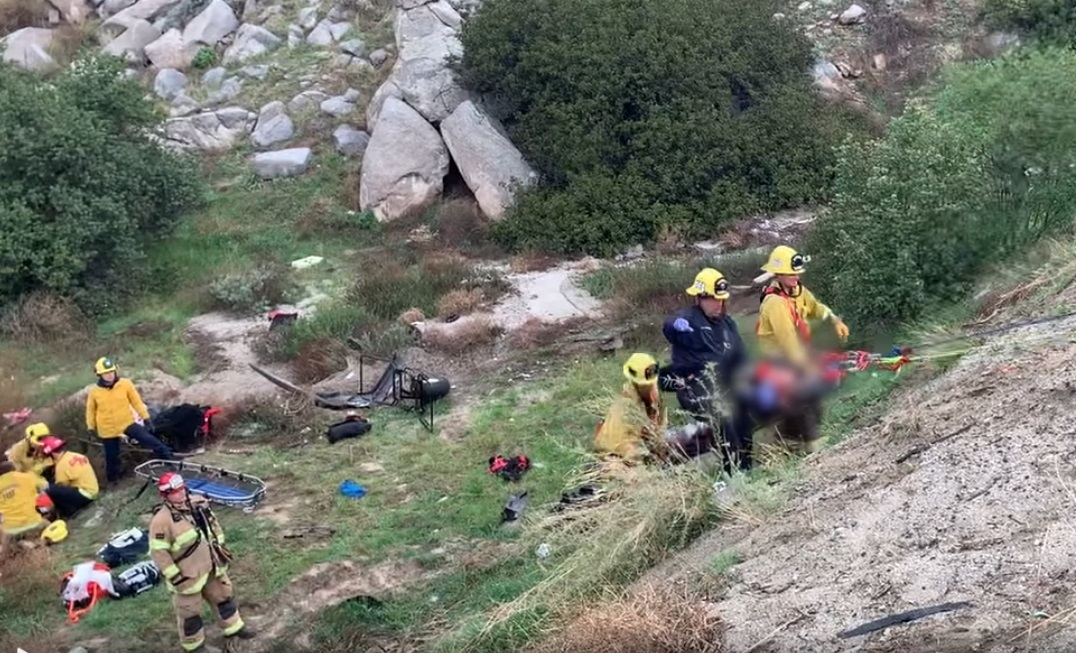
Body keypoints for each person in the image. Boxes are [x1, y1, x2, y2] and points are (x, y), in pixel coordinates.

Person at [752, 245, 849, 454]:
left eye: (797, 273)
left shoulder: (798, 291)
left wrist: (834, 319)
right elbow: (788, 341)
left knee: (826, 379)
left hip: (796, 352)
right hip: (778, 360)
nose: (796, 277)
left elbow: (816, 307)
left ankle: (799, 434)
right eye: (791, 273)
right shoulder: (774, 303)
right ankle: (808, 441)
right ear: (778, 274)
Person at [149, 472, 255, 652]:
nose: (180, 494)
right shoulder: (161, 521)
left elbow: (214, 526)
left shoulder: (198, 504)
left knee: (224, 599)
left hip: (212, 566)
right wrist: (174, 576)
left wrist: (220, 548)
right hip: (187, 575)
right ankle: (195, 646)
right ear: (165, 495)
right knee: (190, 615)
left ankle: (234, 628)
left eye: (182, 489)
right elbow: (159, 553)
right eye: (175, 492)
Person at [660, 268, 753, 472]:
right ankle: (732, 471)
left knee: (746, 410)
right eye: (713, 299)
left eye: (721, 299)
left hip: (725, 384)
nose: (719, 304)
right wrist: (675, 325)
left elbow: (741, 357)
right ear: (700, 298)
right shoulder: (688, 319)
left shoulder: (727, 325)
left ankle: (747, 467)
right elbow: (669, 326)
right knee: (724, 414)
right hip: (695, 388)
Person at [86, 357, 175, 484]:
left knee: (148, 439)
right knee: (111, 457)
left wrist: (146, 418)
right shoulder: (94, 392)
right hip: (107, 429)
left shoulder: (125, 384)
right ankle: (113, 481)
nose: (110, 375)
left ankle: (169, 458)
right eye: (106, 373)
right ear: (100, 375)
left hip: (126, 423)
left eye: (111, 371)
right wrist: (90, 427)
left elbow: (136, 402)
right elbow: (90, 411)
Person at [593, 353, 670, 464]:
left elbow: (659, 423)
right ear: (635, 383)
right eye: (645, 384)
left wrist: (660, 445)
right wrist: (646, 459)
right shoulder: (626, 408)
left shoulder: (652, 392)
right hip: (615, 455)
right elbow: (624, 445)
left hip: (641, 446)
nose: (650, 386)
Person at [40, 436, 99, 519]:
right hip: (93, 490)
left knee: (49, 489)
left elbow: (61, 486)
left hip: (85, 495)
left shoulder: (61, 465)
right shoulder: (75, 455)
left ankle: (66, 513)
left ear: (52, 454)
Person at [0, 460, 49, 540]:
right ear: (14, 469)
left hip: (10, 530)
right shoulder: (26, 477)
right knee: (42, 496)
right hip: (34, 522)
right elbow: (46, 486)